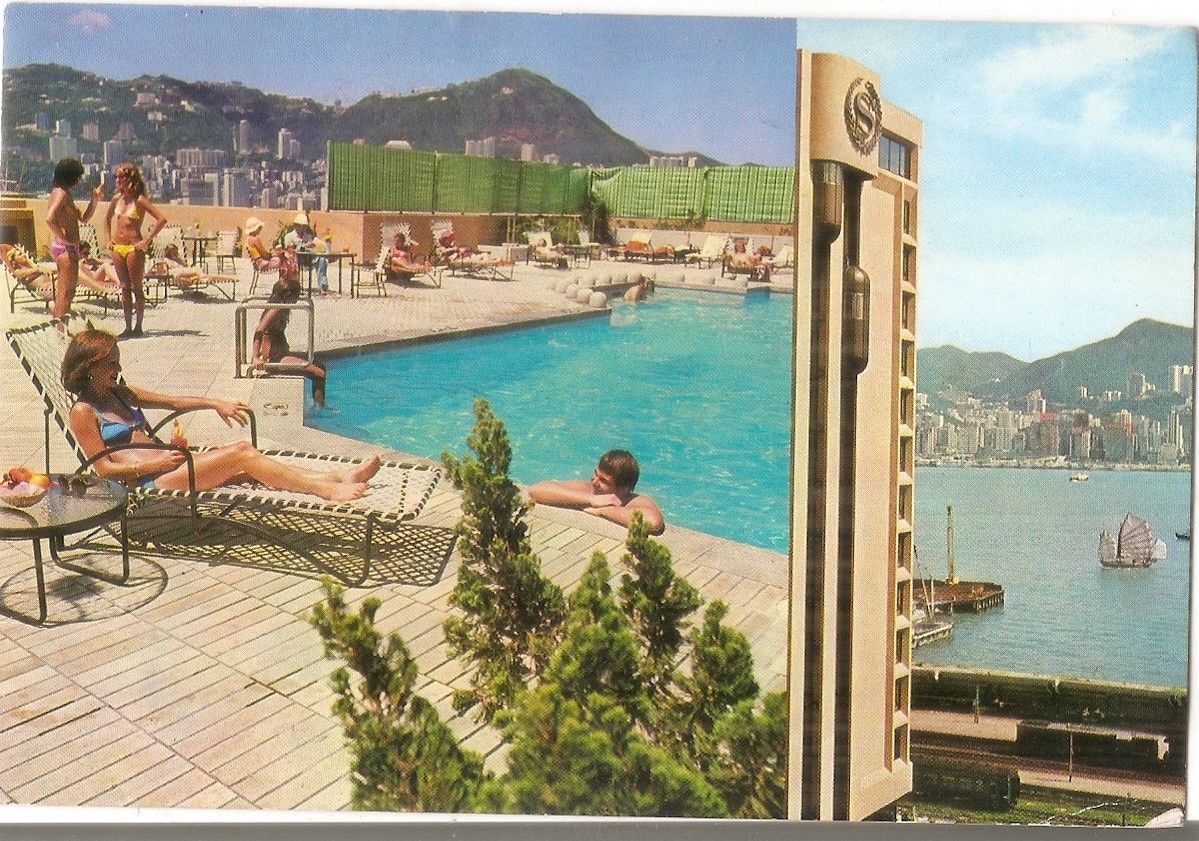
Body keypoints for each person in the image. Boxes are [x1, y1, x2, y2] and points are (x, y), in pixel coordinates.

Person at [63, 329, 374, 500]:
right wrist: (157, 463)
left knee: (248, 465)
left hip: (172, 464)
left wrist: (215, 403)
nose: (118, 368)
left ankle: (335, 477)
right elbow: (102, 469)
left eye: (117, 361)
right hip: (148, 481)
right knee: (242, 453)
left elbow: (173, 402)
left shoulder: (121, 392)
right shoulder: (83, 411)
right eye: (111, 364)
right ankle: (326, 490)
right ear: (89, 368)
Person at [528, 449, 664, 534]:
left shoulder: (635, 501)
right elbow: (537, 490)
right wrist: (591, 499)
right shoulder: (589, 490)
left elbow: (653, 523)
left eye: (603, 480)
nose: (594, 481)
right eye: (595, 473)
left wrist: (603, 510)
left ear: (624, 488)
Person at [104, 162, 166, 338]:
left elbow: (161, 219)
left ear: (129, 179)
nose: (117, 180)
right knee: (124, 287)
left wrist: (146, 240)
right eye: (116, 177)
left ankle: (138, 326)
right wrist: (108, 240)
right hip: (118, 247)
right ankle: (127, 326)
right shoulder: (117, 199)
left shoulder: (139, 200)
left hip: (133, 247)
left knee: (136, 287)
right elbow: (106, 220)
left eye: (120, 177)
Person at [251, 272, 329, 407]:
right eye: (296, 296)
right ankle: (319, 408)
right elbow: (259, 330)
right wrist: (256, 357)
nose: (297, 300)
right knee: (319, 373)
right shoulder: (275, 309)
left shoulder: (282, 308)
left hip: (281, 355)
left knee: (320, 366)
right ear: (288, 295)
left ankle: (319, 405)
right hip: (275, 358)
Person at [45, 158, 103, 320]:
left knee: (67, 292)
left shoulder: (64, 193)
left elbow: (83, 218)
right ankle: (59, 328)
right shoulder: (62, 193)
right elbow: (49, 218)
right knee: (65, 292)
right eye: (78, 176)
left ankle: (61, 326)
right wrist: (64, 238)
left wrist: (94, 200)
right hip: (66, 249)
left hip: (67, 248)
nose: (79, 180)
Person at [284, 213, 329, 295]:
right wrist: (303, 246)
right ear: (295, 226)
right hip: (296, 259)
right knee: (294, 260)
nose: (302, 228)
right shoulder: (289, 236)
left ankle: (323, 285)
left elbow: (312, 247)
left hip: (308, 258)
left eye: (304, 226)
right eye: (300, 226)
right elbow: (290, 250)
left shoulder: (307, 236)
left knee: (322, 259)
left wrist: (313, 245)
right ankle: (294, 287)